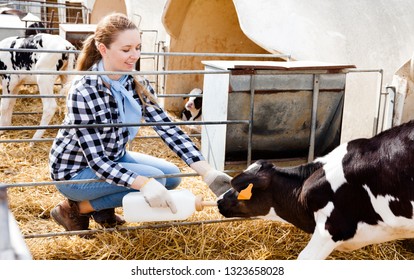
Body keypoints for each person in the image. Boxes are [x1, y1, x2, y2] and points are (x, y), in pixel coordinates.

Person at [49, 13, 231, 232]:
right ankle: (76, 208)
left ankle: (102, 208)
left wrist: (208, 173)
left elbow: (168, 129)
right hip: (76, 170)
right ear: (102, 48)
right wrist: (143, 183)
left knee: (171, 176)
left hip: (114, 156)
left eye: (138, 47)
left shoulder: (135, 82)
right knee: (154, 181)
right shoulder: (84, 90)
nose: (134, 55)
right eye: (126, 50)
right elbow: (97, 161)